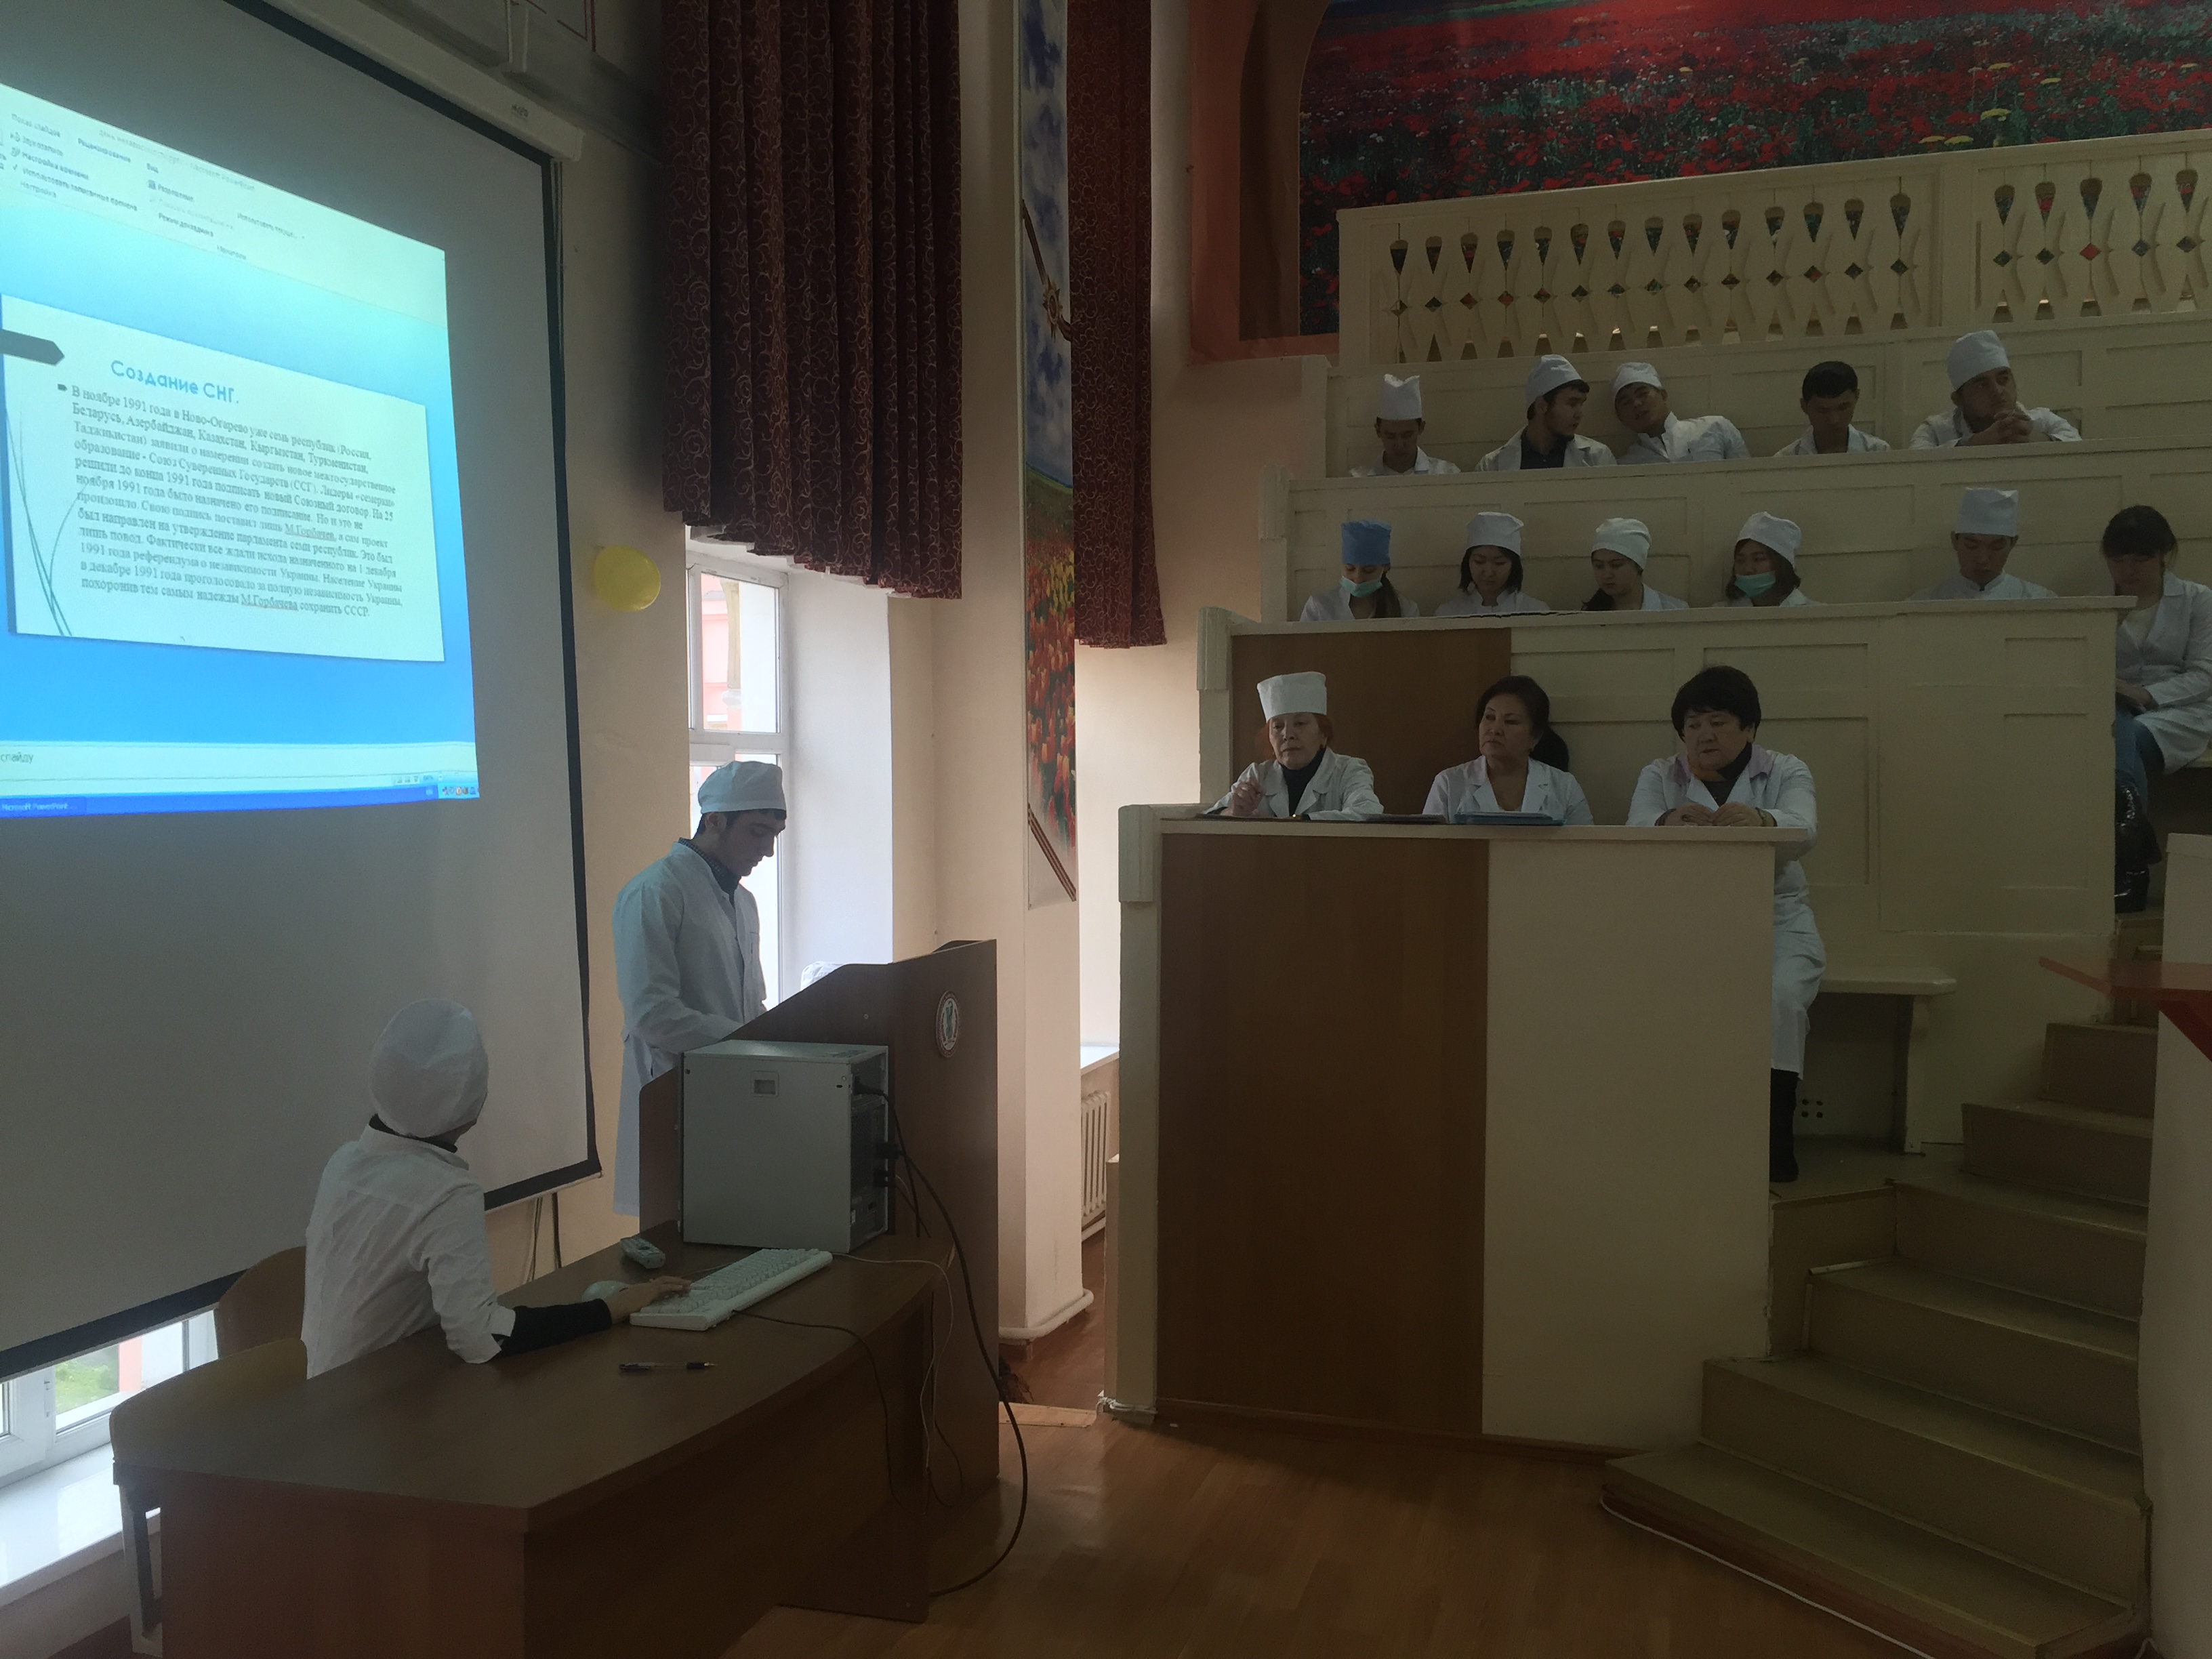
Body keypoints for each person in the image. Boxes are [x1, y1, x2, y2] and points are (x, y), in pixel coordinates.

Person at [304, 1000, 688, 1378]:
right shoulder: (446, 1193)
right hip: (376, 1400)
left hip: (321, 1390)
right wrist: (611, 1309)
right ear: (471, 1102)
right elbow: (481, 1337)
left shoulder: (343, 1163)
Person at [1628, 668, 1822, 1183]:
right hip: (1687, 923)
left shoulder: (1785, 769)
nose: (1704, 736)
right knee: (1665, 1005)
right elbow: (1635, 828)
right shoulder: (1661, 775)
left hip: (1776, 918)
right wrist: (1667, 823)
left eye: (1718, 722)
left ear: (1750, 728)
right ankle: (1686, 1138)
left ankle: (1773, 1143)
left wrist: (1763, 821)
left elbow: (1805, 828)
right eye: (1692, 726)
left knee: (1780, 999)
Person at [612, 760, 785, 1216]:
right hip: (673, 1097)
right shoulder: (655, 892)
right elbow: (651, 1015)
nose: (767, 850)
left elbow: (751, 1001)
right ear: (715, 821)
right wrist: (746, 1040)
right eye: (757, 833)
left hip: (734, 1091)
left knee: (737, 1222)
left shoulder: (744, 902)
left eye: (774, 836)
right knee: (679, 1228)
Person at [2107, 506, 2212, 909]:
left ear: (2164, 555)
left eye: (2141, 558)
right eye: (2118, 559)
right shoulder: (2100, 604)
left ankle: (2128, 862)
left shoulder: (2198, 600)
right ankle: (2131, 856)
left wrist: (2146, 695)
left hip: (2183, 710)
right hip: (2114, 708)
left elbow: (2204, 675)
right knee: (2118, 721)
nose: (2129, 570)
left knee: (2125, 733)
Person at [1214, 671, 1385, 820]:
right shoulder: (1258, 776)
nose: (1288, 735)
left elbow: (1368, 813)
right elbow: (1209, 818)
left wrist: (1295, 823)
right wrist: (1234, 812)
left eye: (1300, 723)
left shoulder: (1349, 771)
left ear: (1323, 734)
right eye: (1278, 726)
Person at [1422, 674, 1593, 822]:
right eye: (1489, 717)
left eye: (1510, 721)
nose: (1495, 729)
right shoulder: (1449, 784)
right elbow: (1430, 847)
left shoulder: (1565, 787)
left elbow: (1586, 847)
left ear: (1535, 737)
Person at [1910, 330, 2081, 449]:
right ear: (1959, 400)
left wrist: (2036, 439)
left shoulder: (2042, 421)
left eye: (2003, 380)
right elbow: (1915, 464)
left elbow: (2082, 452)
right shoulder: (1935, 430)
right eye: (1982, 385)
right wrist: (1977, 443)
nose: (1998, 391)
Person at [1475, 354, 1618, 470]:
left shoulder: (1598, 458)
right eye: (1572, 404)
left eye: (1581, 404)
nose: (1579, 414)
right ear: (1541, 406)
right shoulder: (1491, 466)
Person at [1910, 489, 2054, 600]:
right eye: (1972, 546)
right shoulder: (1923, 604)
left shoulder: (2040, 601)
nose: (1982, 559)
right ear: (1955, 541)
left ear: (2013, 544)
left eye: (1996, 547)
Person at [1613, 363, 1750, 466]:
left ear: (1663, 395)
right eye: (1626, 402)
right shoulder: (1628, 465)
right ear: (1620, 417)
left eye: (1642, 394)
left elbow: (1746, 478)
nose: (1636, 404)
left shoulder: (1716, 428)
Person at [1432, 512, 1550, 616]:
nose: (1488, 572)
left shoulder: (1536, 612)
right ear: (1467, 562)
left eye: (1499, 563)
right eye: (1479, 561)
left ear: (1514, 566)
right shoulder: (1448, 614)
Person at [1300, 518, 1420, 620]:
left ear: (1385, 567)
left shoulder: (1406, 610)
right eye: (1350, 569)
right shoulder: (1319, 607)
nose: (1358, 578)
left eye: (1368, 571)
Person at [1350, 373, 1460, 476]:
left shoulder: (1447, 474)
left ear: (1421, 428)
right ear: (1378, 431)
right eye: (1390, 436)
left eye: (1407, 435)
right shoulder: (1357, 480)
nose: (1399, 445)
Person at [1774, 361, 1890, 456]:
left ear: (1857, 397)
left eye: (1843, 408)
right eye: (1822, 411)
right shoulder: (1785, 459)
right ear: (1804, 406)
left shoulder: (1880, 452)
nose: (1834, 420)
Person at [1581, 517, 1687, 611]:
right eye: (1599, 566)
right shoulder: (1587, 616)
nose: (1607, 575)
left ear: (1639, 565)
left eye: (1616, 565)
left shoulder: (1675, 611)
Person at [1719, 512, 1816, 608]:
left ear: (1782, 564)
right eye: (1740, 560)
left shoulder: (1815, 613)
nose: (1748, 569)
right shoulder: (1719, 613)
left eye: (1758, 559)